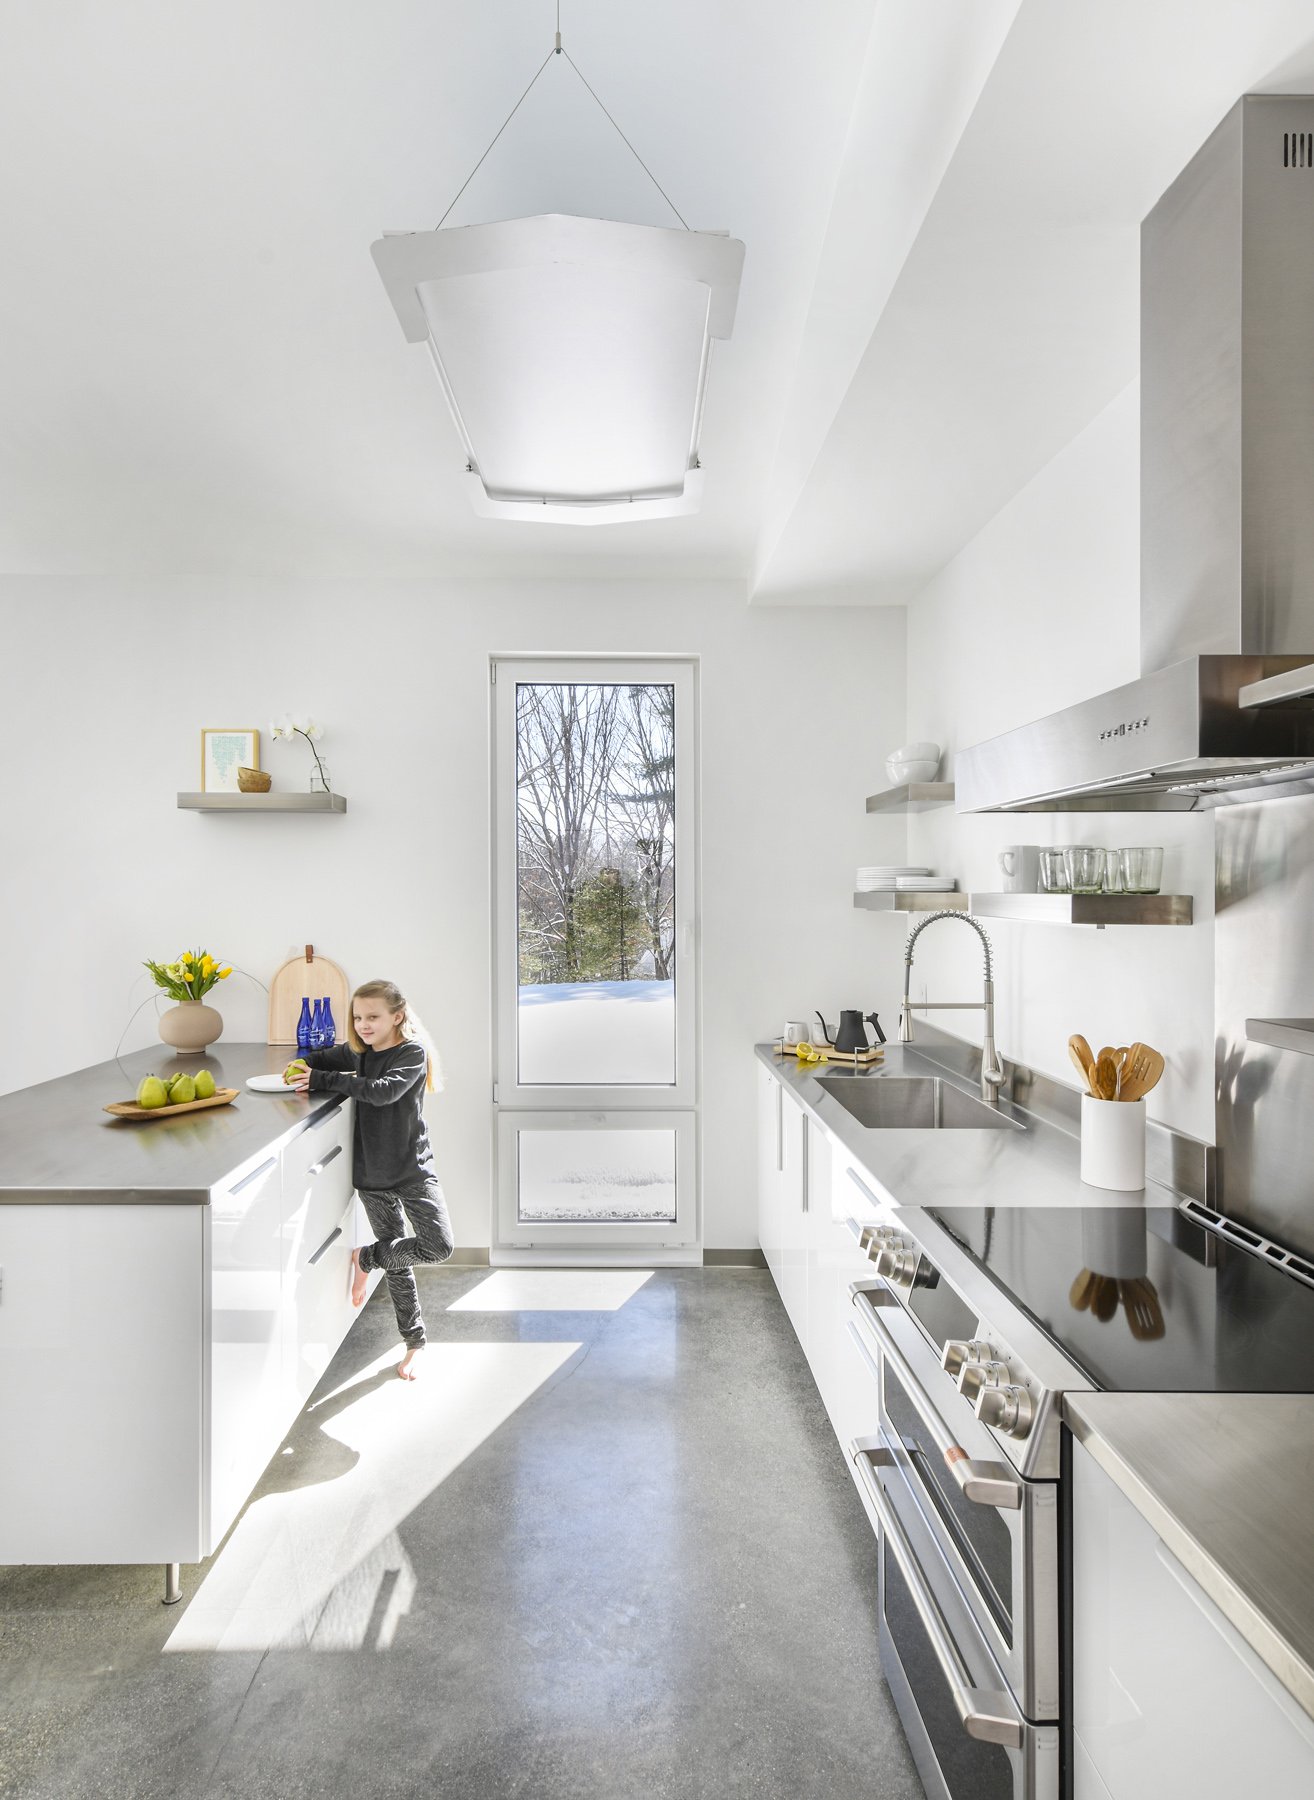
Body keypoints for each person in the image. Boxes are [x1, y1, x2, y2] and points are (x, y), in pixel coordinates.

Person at [288, 979, 452, 1379]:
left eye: (373, 1017)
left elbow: (382, 1092)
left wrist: (323, 1079)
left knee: (438, 1246)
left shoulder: (411, 1053)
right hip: (373, 1175)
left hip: (413, 1169)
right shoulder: (358, 1053)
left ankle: (367, 1257)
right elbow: (320, 1059)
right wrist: (302, 1068)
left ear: (397, 1017)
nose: (363, 1024)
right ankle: (414, 1343)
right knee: (399, 1266)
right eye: (358, 1017)